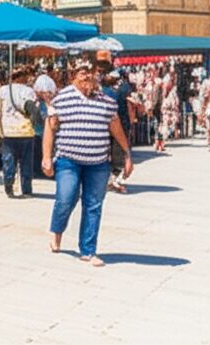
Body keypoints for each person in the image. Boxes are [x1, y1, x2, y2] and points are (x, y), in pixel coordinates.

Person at [43, 58, 133, 267]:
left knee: (93, 205)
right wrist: (46, 157)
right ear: (73, 75)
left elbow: (116, 128)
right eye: (81, 72)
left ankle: (88, 250)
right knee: (65, 198)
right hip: (68, 160)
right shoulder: (61, 99)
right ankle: (57, 231)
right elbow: (50, 128)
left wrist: (128, 154)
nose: (86, 75)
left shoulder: (107, 101)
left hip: (99, 163)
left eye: (90, 71)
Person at [0, 65, 38, 198]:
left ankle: (9, 187)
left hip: (8, 131)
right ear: (22, 77)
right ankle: (27, 190)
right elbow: (34, 111)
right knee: (26, 162)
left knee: (9, 160)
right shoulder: (29, 91)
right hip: (26, 131)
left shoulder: (2, 91)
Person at [101, 70, 133, 194]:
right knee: (117, 152)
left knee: (110, 152)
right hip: (118, 124)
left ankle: (111, 180)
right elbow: (129, 106)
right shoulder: (121, 89)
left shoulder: (105, 91)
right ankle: (113, 179)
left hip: (110, 125)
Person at [32, 72, 58, 178]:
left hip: (40, 131)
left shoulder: (41, 103)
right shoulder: (49, 102)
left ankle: (40, 170)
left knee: (40, 151)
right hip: (42, 131)